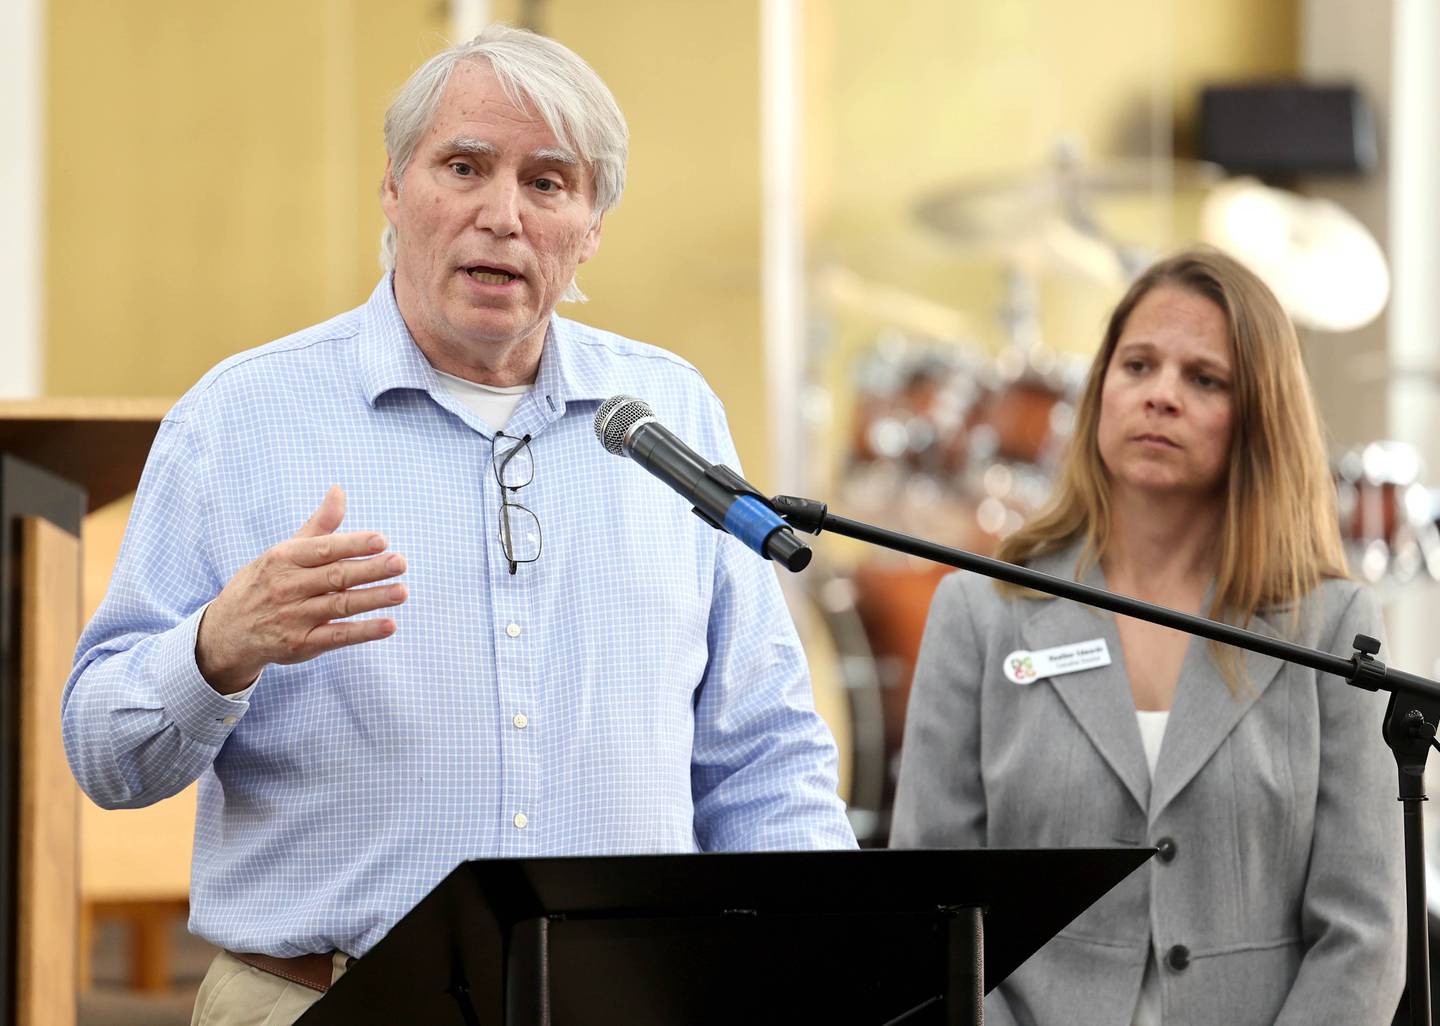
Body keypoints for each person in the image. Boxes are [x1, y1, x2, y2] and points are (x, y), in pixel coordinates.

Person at [61, 25, 855, 1025]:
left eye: (549, 183)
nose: (502, 216)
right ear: (393, 190)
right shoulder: (242, 421)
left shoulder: (668, 417)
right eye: (465, 167)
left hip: (622, 1003)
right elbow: (103, 754)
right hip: (324, 1003)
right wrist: (218, 648)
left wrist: (830, 966)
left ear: (593, 223)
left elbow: (764, 753)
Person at [890, 247, 1404, 1025]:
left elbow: (1364, 936)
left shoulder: (1330, 625)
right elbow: (928, 914)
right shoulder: (979, 612)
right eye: (1138, 366)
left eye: (1204, 379)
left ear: (1259, 415)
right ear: (1101, 391)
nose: (1161, 395)